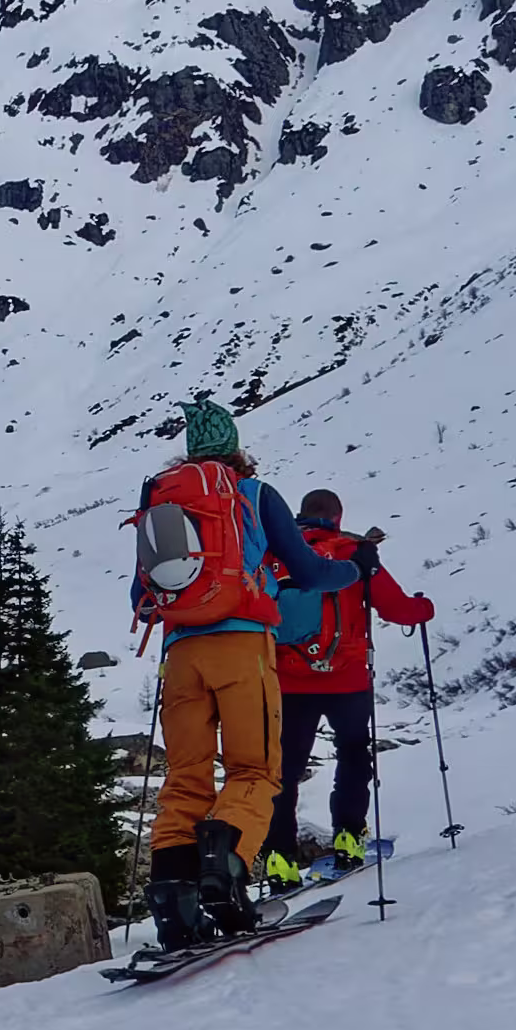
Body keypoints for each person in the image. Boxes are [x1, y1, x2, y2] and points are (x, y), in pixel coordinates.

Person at [124, 399, 350, 947]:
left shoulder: (161, 496)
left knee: (185, 779)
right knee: (255, 771)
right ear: (235, 446)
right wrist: (353, 567)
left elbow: (141, 596)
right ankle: (224, 876)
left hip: (180, 655)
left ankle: (175, 905)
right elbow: (310, 571)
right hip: (243, 646)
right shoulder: (253, 494)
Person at [273, 488, 433, 882]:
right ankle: (348, 838)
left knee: (285, 769)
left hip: (290, 679)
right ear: (338, 517)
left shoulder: (278, 550)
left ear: (301, 514)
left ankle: (280, 860)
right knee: (353, 754)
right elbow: (396, 608)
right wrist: (424, 607)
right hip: (347, 678)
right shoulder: (354, 553)